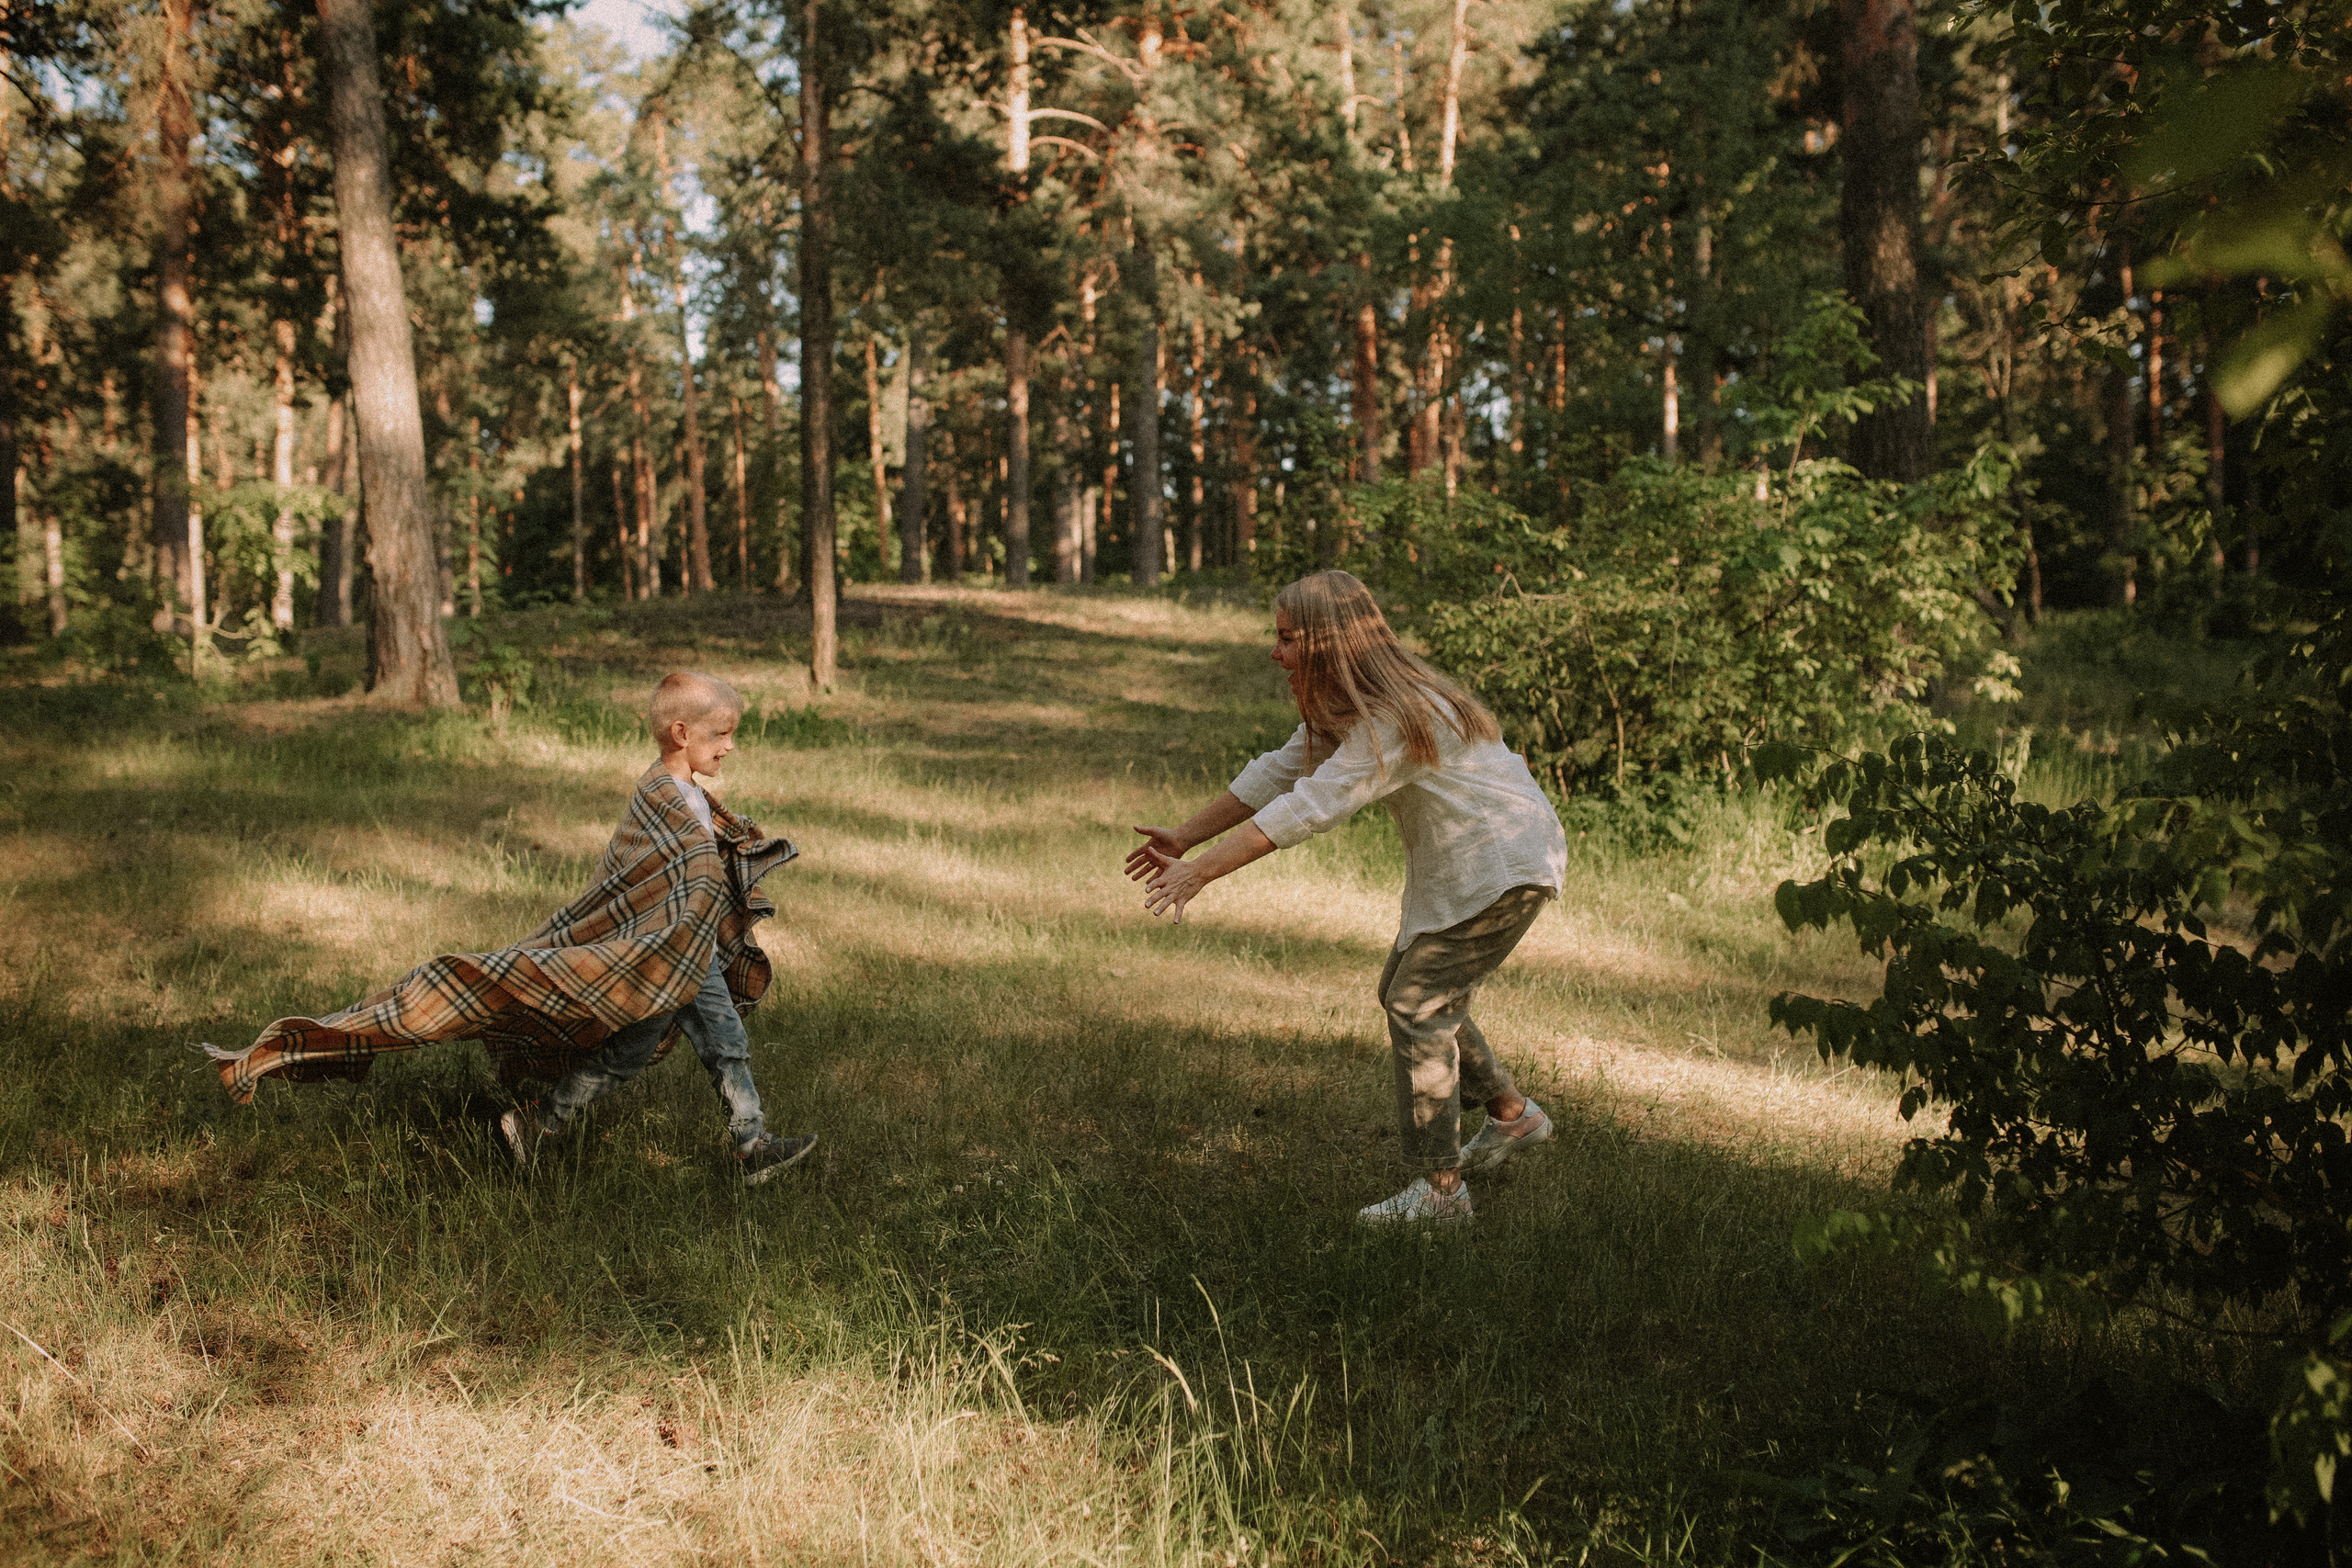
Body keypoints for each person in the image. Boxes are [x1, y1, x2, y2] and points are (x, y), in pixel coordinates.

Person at [211, 671, 817, 1186]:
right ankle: (747, 1148)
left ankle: (542, 1123)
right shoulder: (659, 797)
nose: (730, 746)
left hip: (684, 953)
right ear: (682, 734)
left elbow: (697, 874)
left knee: (649, 1050)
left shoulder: (691, 795)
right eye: (722, 734)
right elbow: (635, 885)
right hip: (661, 957)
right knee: (715, 1044)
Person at [1125, 570, 1567, 1225]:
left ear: (1326, 642)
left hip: (1502, 865)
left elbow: (1310, 806)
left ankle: (1443, 1193)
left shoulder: (1393, 715)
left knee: (1416, 1002)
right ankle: (1511, 1116)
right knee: (1412, 992)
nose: (1274, 652)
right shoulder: (1364, 701)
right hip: (1489, 864)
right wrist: (1185, 837)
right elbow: (1282, 769)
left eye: (1286, 639)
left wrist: (1201, 873)